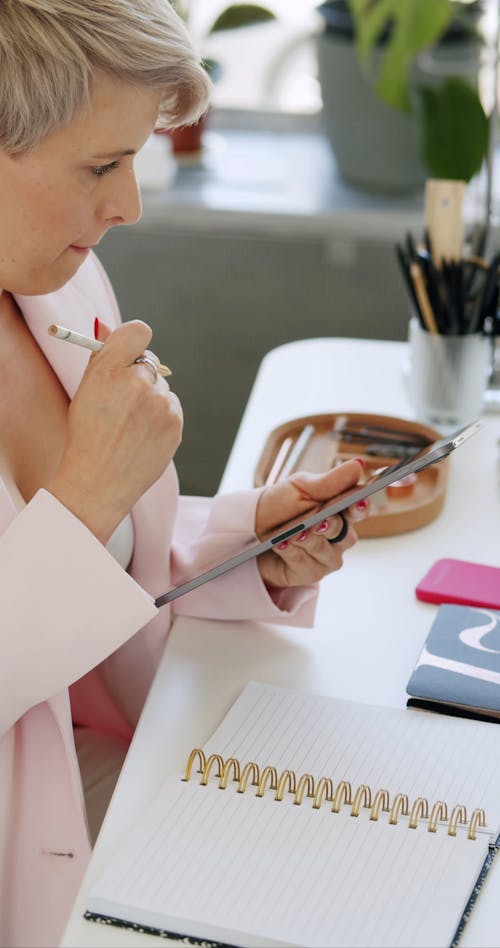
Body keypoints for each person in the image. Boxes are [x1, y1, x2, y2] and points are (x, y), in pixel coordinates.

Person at [0, 2, 369, 946]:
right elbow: (71, 530)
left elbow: (104, 554)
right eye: (99, 166)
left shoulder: (59, 281)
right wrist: (86, 492)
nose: (128, 205)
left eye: (134, 158)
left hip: (92, 760)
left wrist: (247, 545)